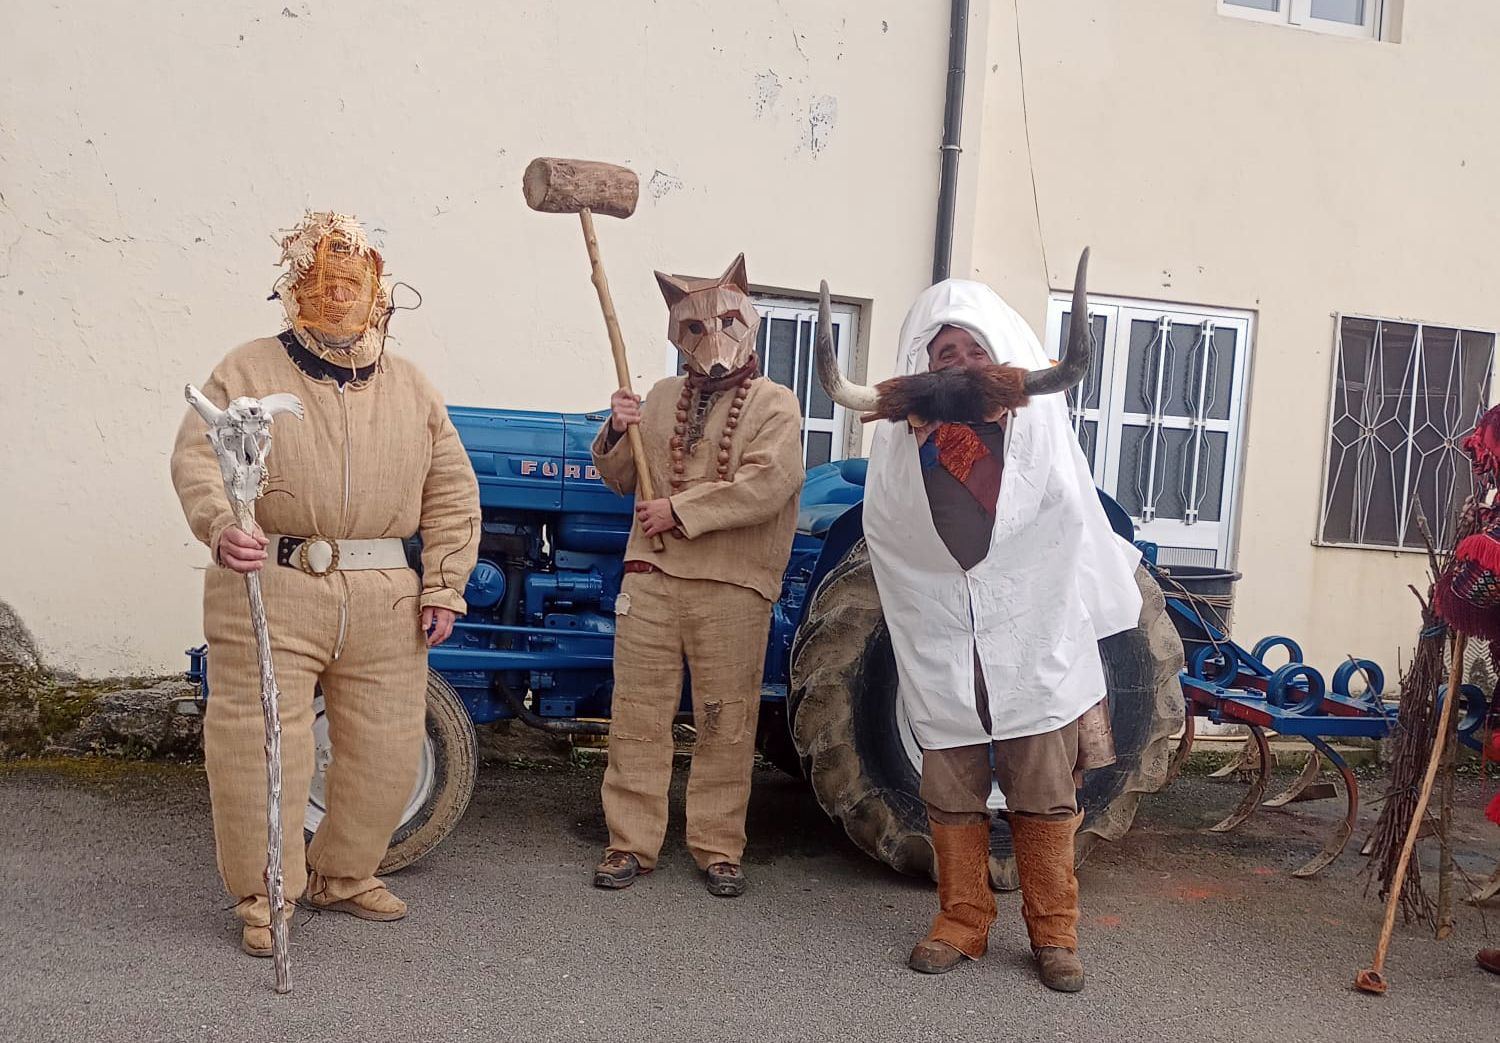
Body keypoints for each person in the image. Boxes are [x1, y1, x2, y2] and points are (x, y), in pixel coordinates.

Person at [816, 257, 1141, 991]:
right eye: (943, 354)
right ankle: (962, 921)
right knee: (950, 788)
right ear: (919, 368)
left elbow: (1064, 528)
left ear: (999, 358)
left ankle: (1055, 934)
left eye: (973, 351)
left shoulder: (1038, 434)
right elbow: (894, 536)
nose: (959, 366)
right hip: (940, 643)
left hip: (1032, 642)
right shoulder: (905, 442)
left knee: (1043, 788)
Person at [170, 211, 480, 956]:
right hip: (271, 576)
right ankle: (264, 891)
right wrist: (220, 522)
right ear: (294, 284)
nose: (338, 293)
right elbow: (197, 454)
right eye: (322, 278)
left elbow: (451, 488)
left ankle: (344, 872)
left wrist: (443, 583)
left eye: (353, 280)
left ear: (379, 291)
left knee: (387, 748)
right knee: (261, 744)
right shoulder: (245, 371)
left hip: (384, 593)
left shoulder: (411, 387)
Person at [590, 254, 804, 897]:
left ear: (751, 324)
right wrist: (617, 430)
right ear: (675, 333)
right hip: (652, 579)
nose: (712, 337)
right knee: (637, 714)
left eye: (729, 320)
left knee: (725, 718)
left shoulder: (776, 404)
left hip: (732, 586)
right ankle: (629, 842)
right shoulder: (658, 397)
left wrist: (680, 510)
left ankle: (717, 846)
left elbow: (769, 483)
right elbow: (623, 478)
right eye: (693, 327)